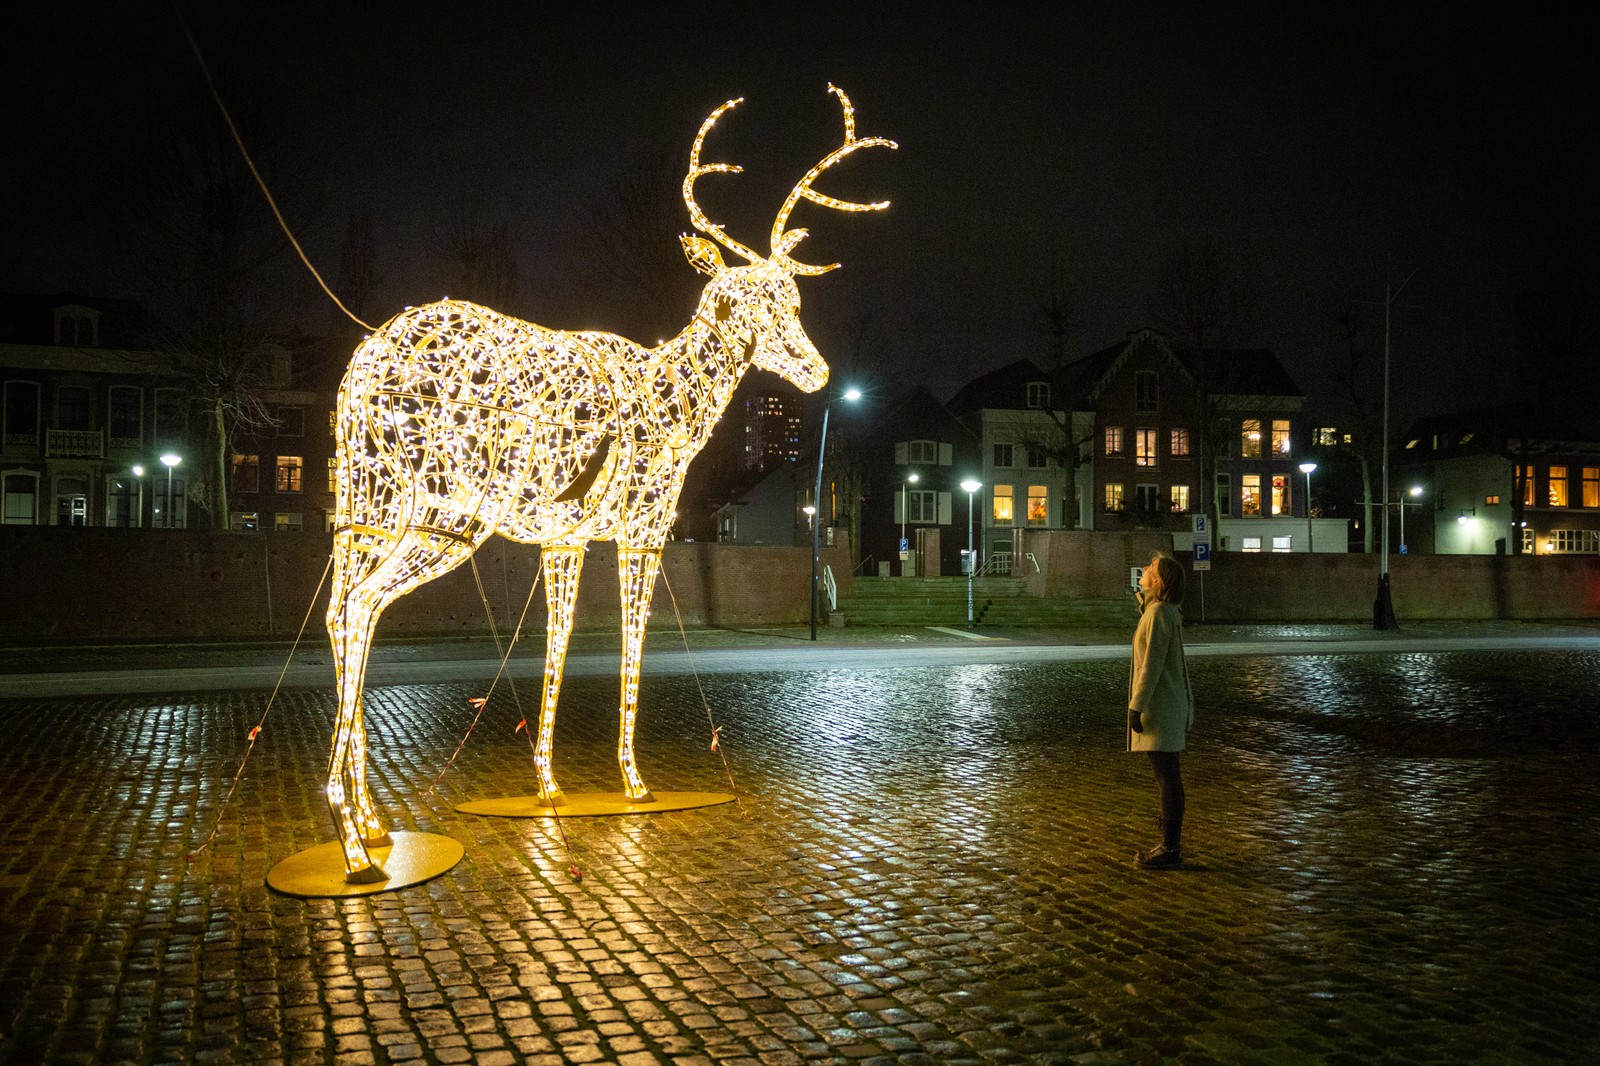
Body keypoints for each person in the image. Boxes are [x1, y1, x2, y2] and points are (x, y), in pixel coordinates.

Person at [1127, 552, 1196, 869]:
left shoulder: (1158, 614)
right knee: (1168, 777)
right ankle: (1169, 844)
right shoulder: (1161, 611)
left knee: (1167, 778)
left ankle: (1170, 849)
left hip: (1161, 708)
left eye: (1150, 568)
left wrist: (1135, 707)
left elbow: (1151, 667)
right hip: (1168, 705)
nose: (1144, 568)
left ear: (1159, 580)